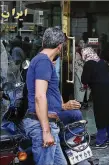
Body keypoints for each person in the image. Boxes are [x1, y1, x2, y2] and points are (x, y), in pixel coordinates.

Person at [22, 27, 67, 165]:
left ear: (43, 42)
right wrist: (46, 131)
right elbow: (40, 96)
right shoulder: (43, 61)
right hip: (41, 125)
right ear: (60, 46)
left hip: (47, 124)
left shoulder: (43, 61)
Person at [81, 47, 109, 149]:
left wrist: (87, 84)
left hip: (101, 92)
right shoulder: (102, 62)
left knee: (101, 115)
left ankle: (101, 142)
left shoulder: (88, 64)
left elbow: (84, 79)